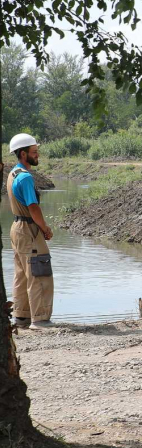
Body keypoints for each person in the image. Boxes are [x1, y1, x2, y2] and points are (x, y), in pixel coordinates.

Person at [6, 133, 54, 330]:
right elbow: (33, 207)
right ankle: (40, 319)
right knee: (39, 273)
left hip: (16, 228)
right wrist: (45, 228)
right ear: (23, 154)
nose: (38, 155)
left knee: (22, 274)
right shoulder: (25, 177)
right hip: (28, 229)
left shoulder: (13, 173)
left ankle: (22, 317)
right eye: (34, 152)